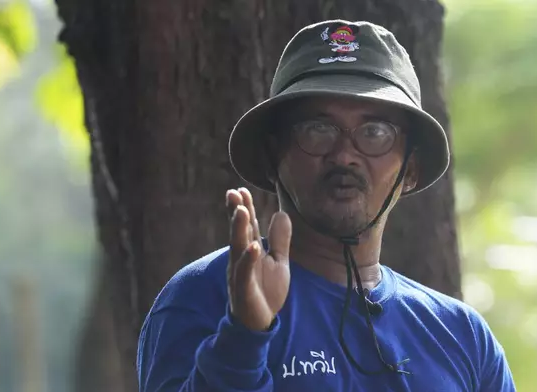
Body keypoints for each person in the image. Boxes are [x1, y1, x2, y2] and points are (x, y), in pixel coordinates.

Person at [136, 19, 516, 392]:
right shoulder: (203, 296)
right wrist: (244, 337)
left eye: (375, 132)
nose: (344, 155)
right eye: (317, 128)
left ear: (410, 169)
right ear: (272, 154)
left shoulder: (463, 337)